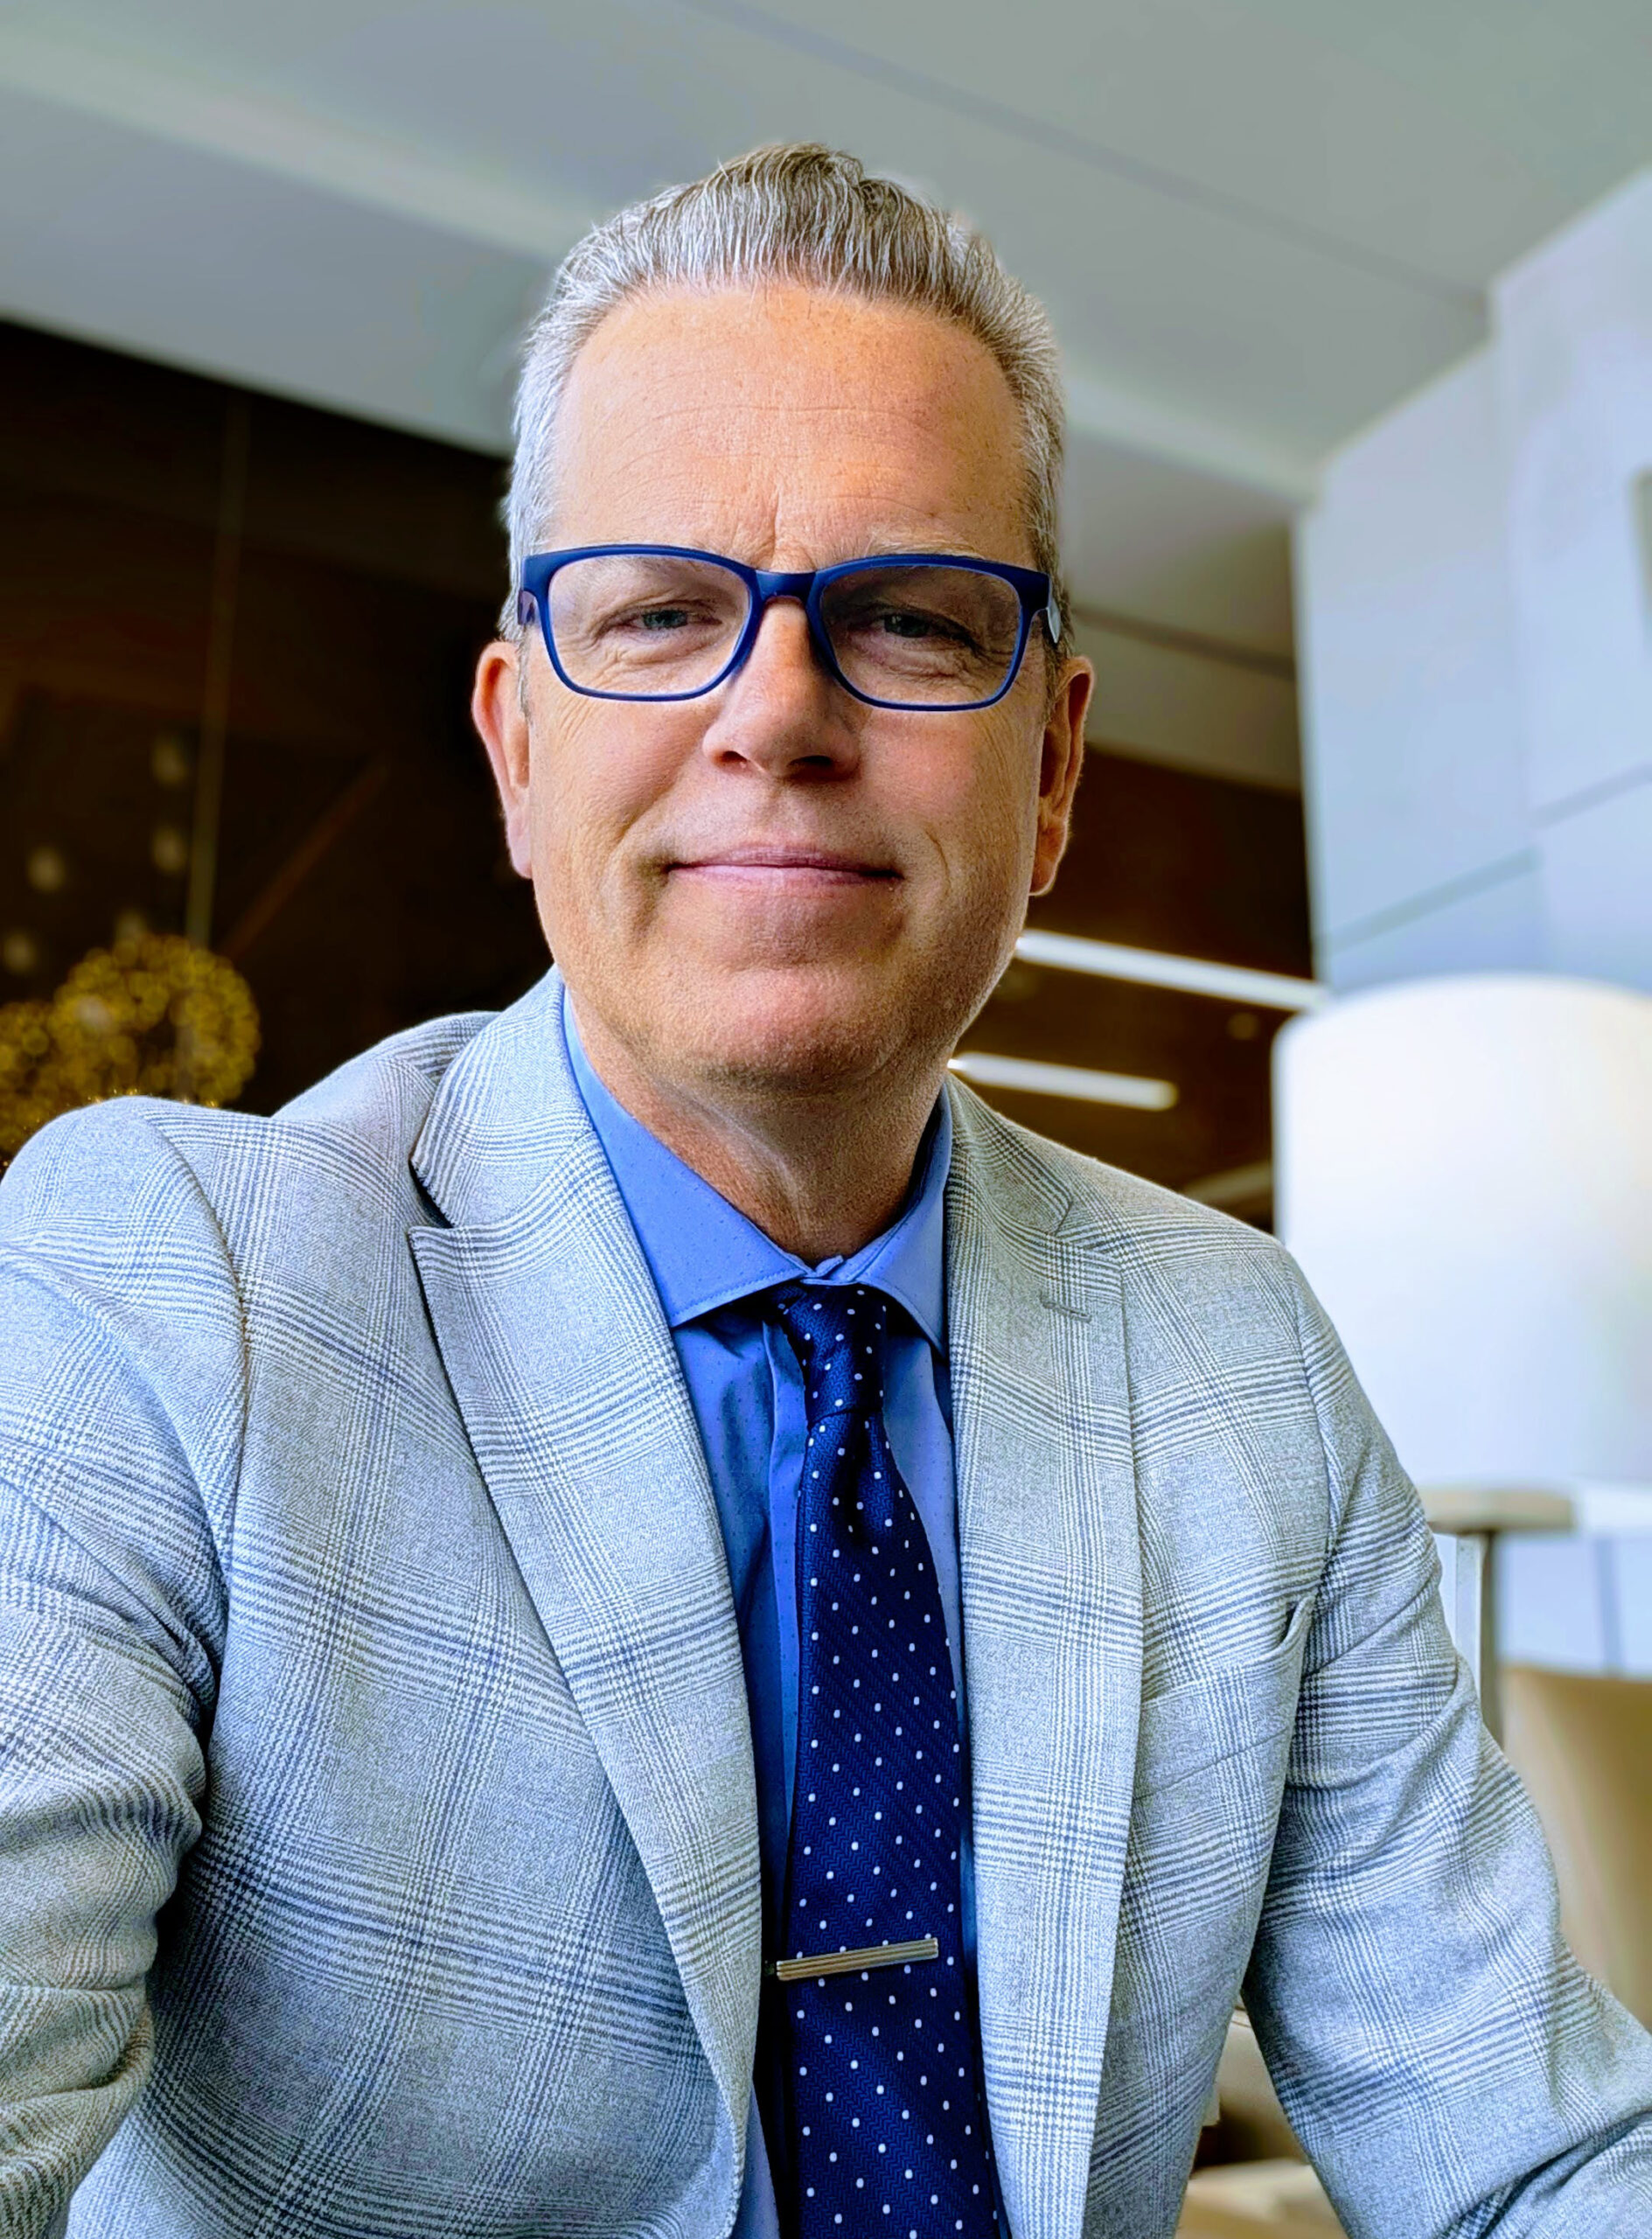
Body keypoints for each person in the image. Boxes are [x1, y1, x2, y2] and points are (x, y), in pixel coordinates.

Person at [1, 144, 1648, 2239]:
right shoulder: (166, 1284)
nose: (776, 711)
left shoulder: (1246, 1363)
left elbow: (1531, 2149)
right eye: (661, 613)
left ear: (1054, 771)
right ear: (519, 748)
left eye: (909, 619)